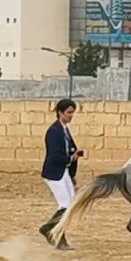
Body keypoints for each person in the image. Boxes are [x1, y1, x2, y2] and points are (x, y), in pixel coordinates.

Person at [38, 98, 82, 250]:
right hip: (54, 172)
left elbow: (71, 150)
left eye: (72, 113)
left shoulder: (64, 130)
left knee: (70, 205)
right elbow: (54, 156)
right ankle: (51, 231)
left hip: (63, 171)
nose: (71, 116)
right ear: (60, 113)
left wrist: (72, 173)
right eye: (69, 113)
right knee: (65, 205)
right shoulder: (53, 131)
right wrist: (71, 158)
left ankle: (55, 233)